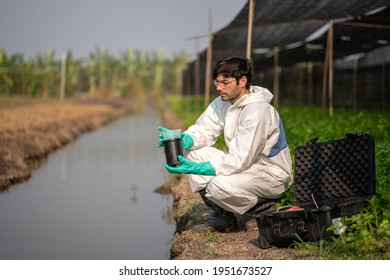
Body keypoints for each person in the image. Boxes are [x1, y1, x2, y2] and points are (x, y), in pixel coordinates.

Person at [158, 56, 292, 231]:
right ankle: (224, 217)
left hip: (269, 173)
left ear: (242, 81)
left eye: (225, 82)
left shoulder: (258, 111)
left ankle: (262, 210)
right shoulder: (224, 103)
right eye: (217, 82)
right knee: (193, 152)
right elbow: (204, 129)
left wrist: (197, 169)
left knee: (218, 186)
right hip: (246, 167)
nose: (219, 88)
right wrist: (185, 139)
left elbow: (240, 159)